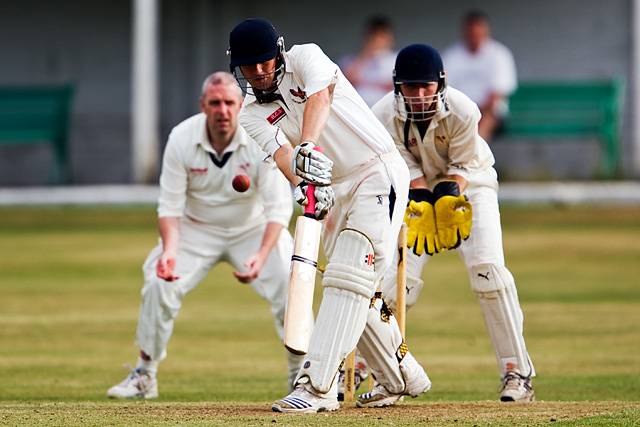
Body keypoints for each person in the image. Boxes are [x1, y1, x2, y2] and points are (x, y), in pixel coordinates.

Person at [228, 18, 431, 413]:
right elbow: (286, 161)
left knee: (348, 277)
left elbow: (320, 99)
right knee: (355, 286)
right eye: (248, 67)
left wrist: (307, 144)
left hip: (377, 171)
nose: (258, 72)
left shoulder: (306, 57)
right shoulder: (251, 113)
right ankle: (402, 376)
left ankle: (317, 387)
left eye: (264, 62)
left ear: (279, 53)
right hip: (334, 190)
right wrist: (309, 182)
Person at [107, 72, 302, 399]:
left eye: (229, 103)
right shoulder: (182, 138)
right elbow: (169, 205)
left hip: (253, 229)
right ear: (203, 106)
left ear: (240, 105)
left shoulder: (259, 136)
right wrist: (169, 250)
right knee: (158, 281)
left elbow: (278, 208)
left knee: (291, 278)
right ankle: (145, 375)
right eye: (215, 103)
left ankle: (302, 376)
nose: (223, 111)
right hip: (195, 229)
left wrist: (262, 255)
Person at [371, 44, 535, 402]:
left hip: (471, 186)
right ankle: (385, 374)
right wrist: (421, 196)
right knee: (398, 281)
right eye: (410, 87)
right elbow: (402, 169)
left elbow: (462, 167)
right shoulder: (381, 115)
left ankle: (517, 373)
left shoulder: (464, 111)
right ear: (397, 86)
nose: (418, 95)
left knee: (489, 273)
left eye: (425, 86)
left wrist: (446, 196)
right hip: (415, 193)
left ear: (440, 83)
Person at [442, 11, 517, 141]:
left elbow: (497, 94)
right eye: (471, 33)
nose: (474, 37)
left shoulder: (499, 54)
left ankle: (473, 156)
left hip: (489, 112)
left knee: (487, 116)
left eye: (478, 33)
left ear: (486, 31)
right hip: (458, 112)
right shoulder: (451, 56)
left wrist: (474, 111)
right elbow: (443, 90)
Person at [340, 15, 397, 106]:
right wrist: (366, 55)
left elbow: (397, 87)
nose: (377, 40)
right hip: (358, 108)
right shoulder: (351, 60)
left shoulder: (397, 59)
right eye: (373, 36)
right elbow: (345, 82)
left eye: (381, 36)